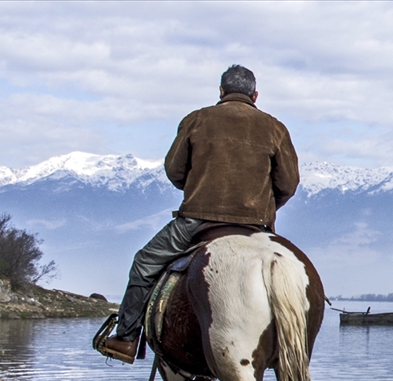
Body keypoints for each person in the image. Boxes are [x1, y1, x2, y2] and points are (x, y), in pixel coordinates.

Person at [97, 65, 300, 364]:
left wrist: (198, 186)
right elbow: (288, 184)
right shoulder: (275, 128)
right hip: (256, 226)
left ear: (220, 91)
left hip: (197, 220)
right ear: (255, 95)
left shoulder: (197, 119)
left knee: (144, 263)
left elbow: (175, 170)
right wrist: (264, 208)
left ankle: (126, 338)